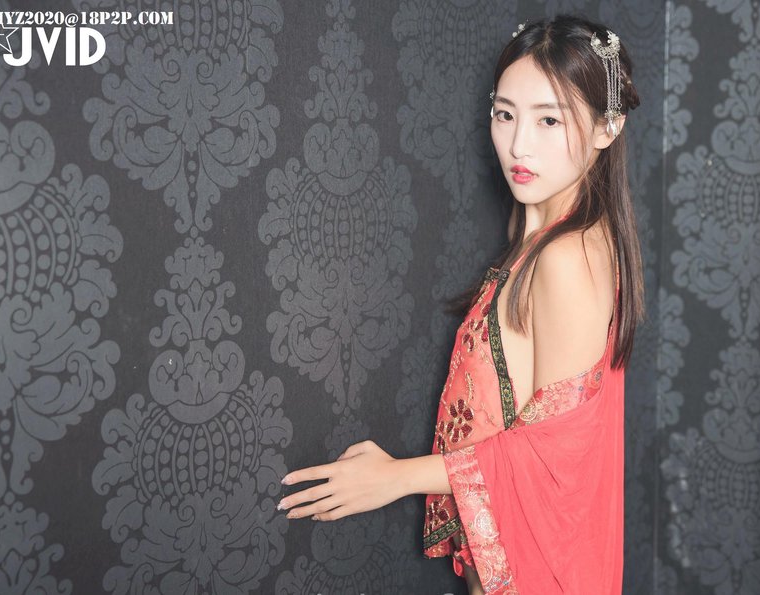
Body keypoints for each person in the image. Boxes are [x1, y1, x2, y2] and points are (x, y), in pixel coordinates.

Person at [275, 14, 644, 595]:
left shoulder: (567, 257)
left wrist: (395, 477)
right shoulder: (545, 237)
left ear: (607, 127)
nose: (518, 144)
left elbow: (555, 454)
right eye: (505, 114)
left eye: (549, 120)